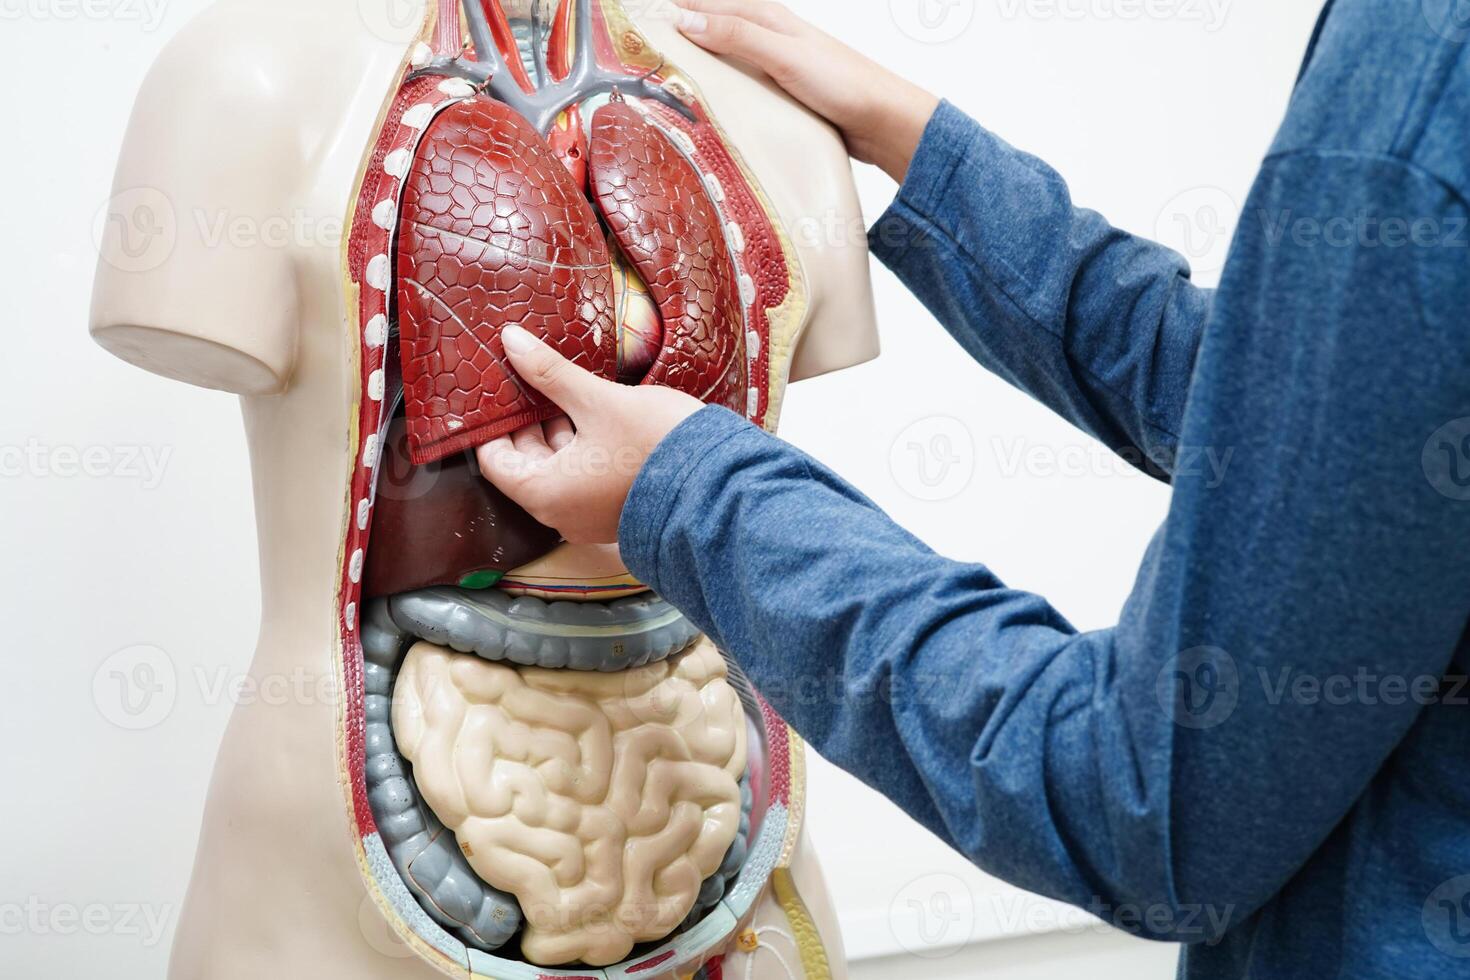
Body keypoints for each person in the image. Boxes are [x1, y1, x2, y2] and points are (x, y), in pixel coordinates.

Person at [475, 0, 1470, 975]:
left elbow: (1146, 800)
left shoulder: (1424, 87)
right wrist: (932, 159)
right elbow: (1315, 422)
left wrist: (693, 490)